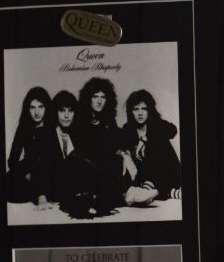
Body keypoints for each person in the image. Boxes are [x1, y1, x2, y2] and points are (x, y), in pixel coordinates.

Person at [120, 89, 182, 206]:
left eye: (144, 109)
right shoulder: (128, 129)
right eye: (136, 109)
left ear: (150, 110)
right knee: (124, 156)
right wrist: (126, 156)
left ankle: (153, 189)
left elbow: (172, 131)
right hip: (142, 176)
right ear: (131, 111)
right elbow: (121, 146)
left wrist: (145, 139)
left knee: (160, 142)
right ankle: (168, 192)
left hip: (166, 172)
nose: (140, 113)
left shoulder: (156, 125)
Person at [77, 77, 128, 211]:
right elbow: (83, 151)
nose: (99, 101)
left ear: (108, 100)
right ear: (88, 98)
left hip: (107, 167)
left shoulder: (109, 120)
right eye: (95, 96)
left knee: (117, 159)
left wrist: (124, 154)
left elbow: (115, 145)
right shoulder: (80, 120)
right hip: (87, 168)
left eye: (103, 97)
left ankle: (121, 194)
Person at [6, 86, 53, 207]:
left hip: (49, 171)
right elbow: (12, 160)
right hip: (29, 169)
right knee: (4, 184)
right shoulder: (23, 127)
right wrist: (26, 174)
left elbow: (51, 159)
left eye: (40, 107)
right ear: (27, 109)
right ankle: (37, 193)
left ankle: (41, 193)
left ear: (46, 107)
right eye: (32, 107)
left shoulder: (53, 127)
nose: (37, 112)